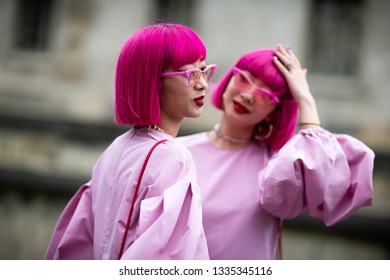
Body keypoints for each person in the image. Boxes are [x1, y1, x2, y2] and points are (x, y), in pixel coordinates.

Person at [178, 45, 374, 260]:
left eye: (266, 93)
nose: (249, 95)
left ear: (274, 112)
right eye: (244, 78)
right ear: (229, 80)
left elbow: (330, 179)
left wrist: (305, 99)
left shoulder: (278, 165)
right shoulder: (177, 151)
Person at [44, 23, 217, 260]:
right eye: (190, 74)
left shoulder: (115, 148)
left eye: (204, 70)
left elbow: (75, 245)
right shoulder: (173, 157)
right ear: (153, 80)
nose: (203, 84)